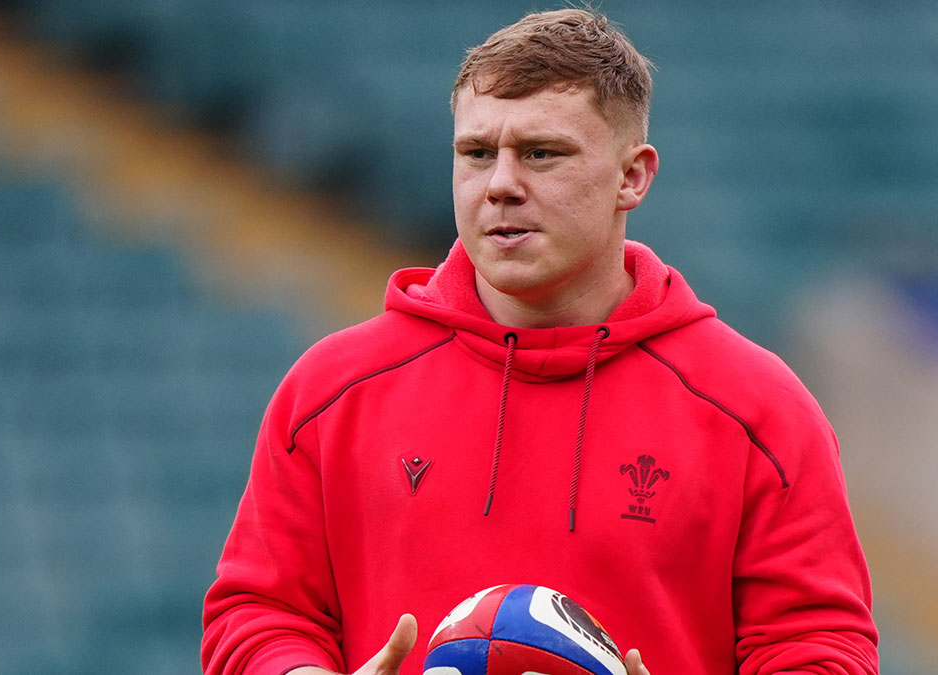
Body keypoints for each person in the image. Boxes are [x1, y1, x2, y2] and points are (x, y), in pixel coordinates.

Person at [202, 8, 878, 675]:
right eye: (476, 154)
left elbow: (821, 650)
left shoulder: (758, 410)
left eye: (541, 153)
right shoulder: (330, 390)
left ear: (632, 176)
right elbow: (259, 613)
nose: (500, 185)